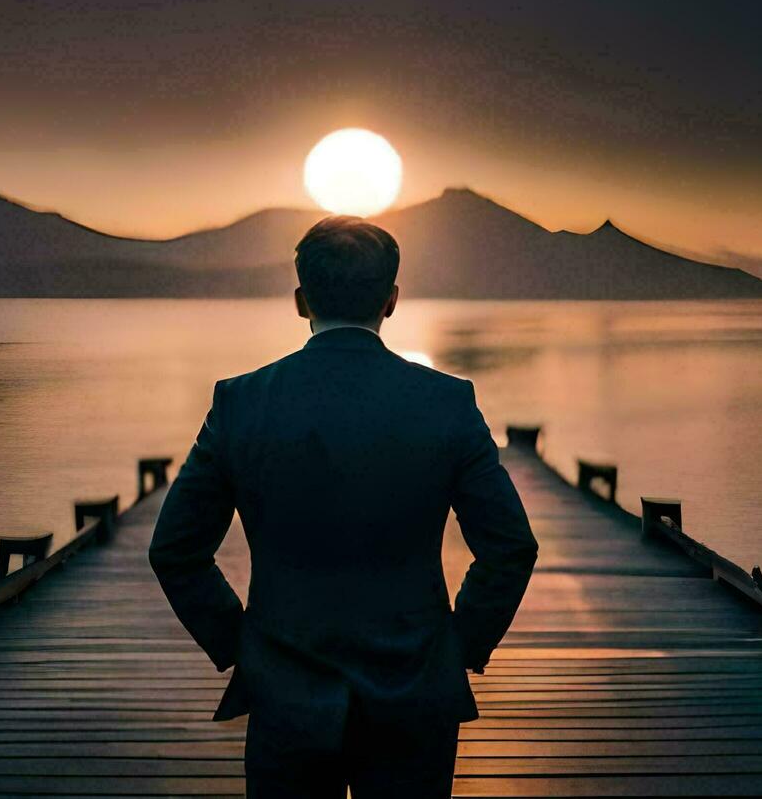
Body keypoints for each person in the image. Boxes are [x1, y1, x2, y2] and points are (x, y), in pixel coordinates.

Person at [148, 215, 538, 798]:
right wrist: (460, 646)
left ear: (301, 300)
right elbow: (509, 546)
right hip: (415, 690)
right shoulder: (448, 403)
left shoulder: (241, 403)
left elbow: (176, 550)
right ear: (392, 301)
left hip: (284, 689)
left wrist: (241, 646)